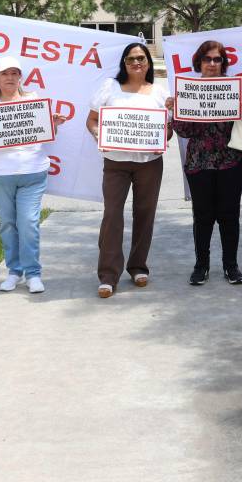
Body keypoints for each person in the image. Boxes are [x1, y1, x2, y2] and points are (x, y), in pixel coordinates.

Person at [167, 40, 242, 286]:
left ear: (223, 63)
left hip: (231, 163)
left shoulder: (237, 89)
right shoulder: (188, 91)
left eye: (217, 59)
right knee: (202, 217)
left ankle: (231, 266)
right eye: (207, 59)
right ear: (199, 62)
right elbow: (184, 131)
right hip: (199, 164)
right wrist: (178, 111)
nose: (212, 64)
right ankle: (201, 266)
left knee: (229, 216)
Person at [0, 56, 64, 294]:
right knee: (8, 224)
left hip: (32, 172)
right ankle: (14, 271)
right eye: (5, 73)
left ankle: (33, 274)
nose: (10, 77)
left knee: (29, 223)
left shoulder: (34, 100)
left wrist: (54, 123)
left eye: (14, 73)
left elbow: (44, 132)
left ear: (20, 77)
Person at [87, 42, 169, 299]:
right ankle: (108, 275)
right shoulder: (110, 87)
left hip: (149, 162)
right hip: (116, 162)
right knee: (112, 215)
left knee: (145, 214)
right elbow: (92, 120)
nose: (136, 62)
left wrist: (164, 137)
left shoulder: (160, 92)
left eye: (141, 58)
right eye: (131, 59)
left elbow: (167, 128)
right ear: (124, 63)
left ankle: (138, 267)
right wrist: (98, 133)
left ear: (148, 63)